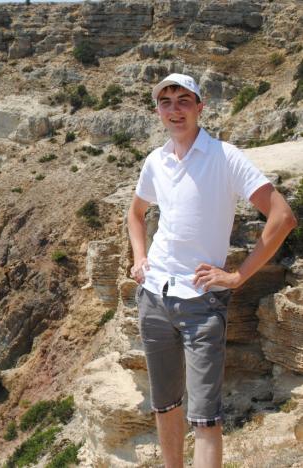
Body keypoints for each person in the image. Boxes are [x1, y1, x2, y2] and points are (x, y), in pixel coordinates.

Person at [127, 73, 297, 468]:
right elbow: (135, 213)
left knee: (205, 419)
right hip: (154, 297)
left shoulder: (225, 157)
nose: (174, 110)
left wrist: (238, 277)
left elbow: (282, 217)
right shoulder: (156, 161)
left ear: (200, 107)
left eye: (183, 100)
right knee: (165, 404)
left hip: (202, 303)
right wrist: (139, 258)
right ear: (157, 111)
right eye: (166, 102)